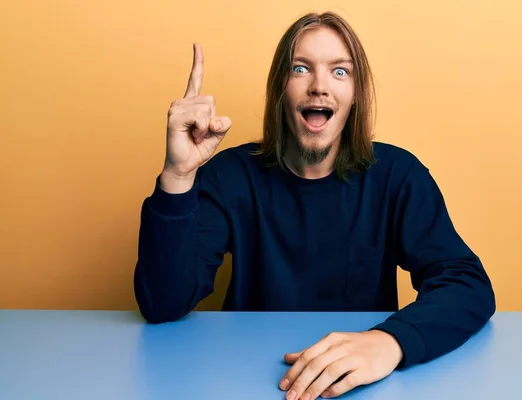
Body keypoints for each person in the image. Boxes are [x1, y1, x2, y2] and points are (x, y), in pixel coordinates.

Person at [134, 11, 495, 400]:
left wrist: (391, 342)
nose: (319, 86)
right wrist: (177, 174)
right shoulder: (230, 176)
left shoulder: (398, 176)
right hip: (248, 379)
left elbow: (467, 284)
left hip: (360, 385)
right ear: (279, 90)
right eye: (301, 68)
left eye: (340, 71)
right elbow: (162, 304)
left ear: (355, 95)